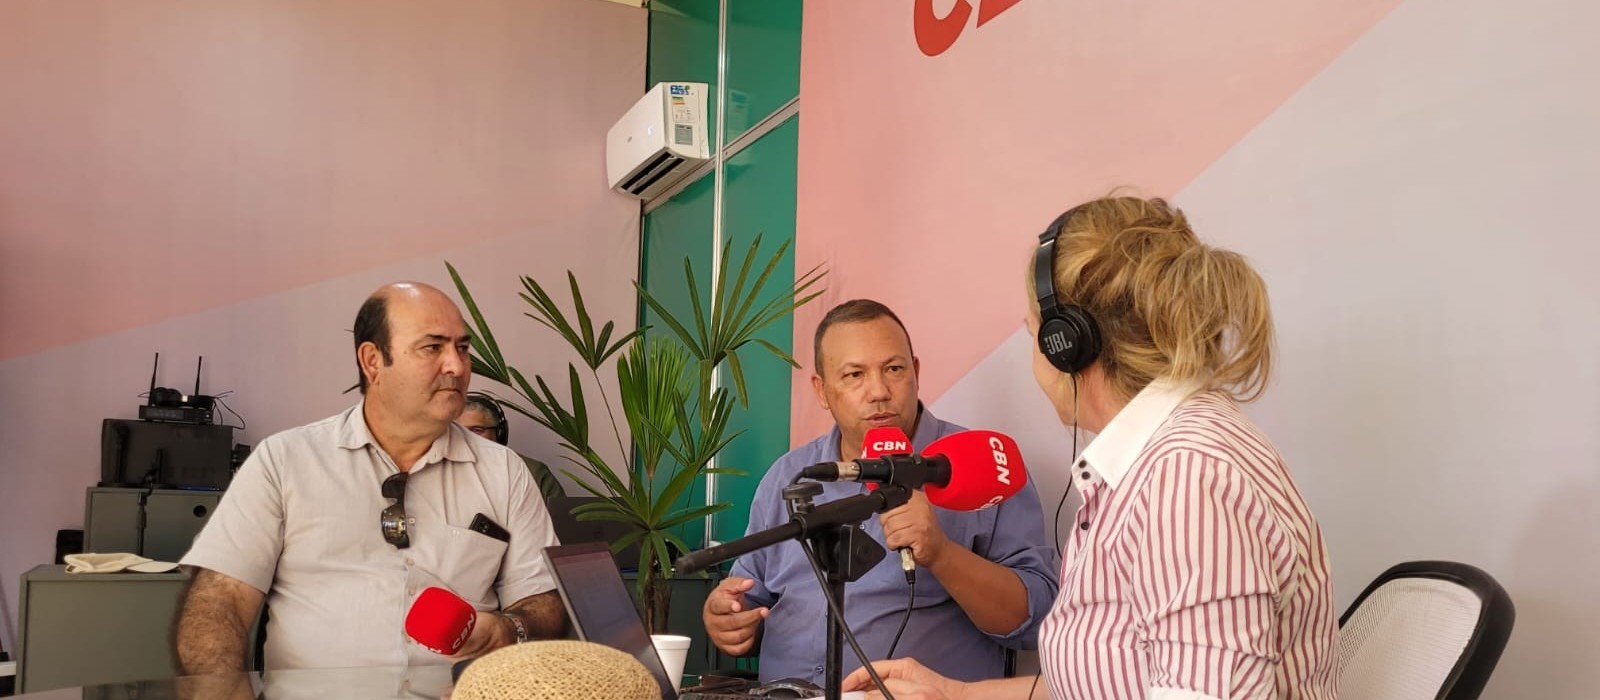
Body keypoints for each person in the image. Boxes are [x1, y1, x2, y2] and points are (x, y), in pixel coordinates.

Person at [843, 196, 1338, 699]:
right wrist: (955, 695)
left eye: (1034, 334)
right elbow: (1100, 685)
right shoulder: (1154, 465)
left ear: (1067, 344)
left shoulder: (1188, 477)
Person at [175, 282, 566, 674]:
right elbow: (219, 603)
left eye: (462, 348)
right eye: (433, 347)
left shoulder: (505, 471)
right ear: (373, 360)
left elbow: (544, 601)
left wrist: (507, 629)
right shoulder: (286, 460)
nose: (457, 366)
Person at [703, 300, 1058, 685]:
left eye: (893, 369)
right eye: (855, 374)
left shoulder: (980, 464)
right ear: (822, 391)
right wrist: (729, 618)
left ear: (916, 372)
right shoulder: (789, 475)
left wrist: (941, 553)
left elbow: (1036, 620)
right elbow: (751, 600)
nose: (878, 391)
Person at [459, 392, 566, 502]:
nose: (466, 439)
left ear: (500, 433)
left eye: (477, 430)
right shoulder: (442, 472)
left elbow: (560, 519)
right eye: (457, 431)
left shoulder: (533, 473)